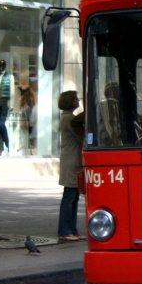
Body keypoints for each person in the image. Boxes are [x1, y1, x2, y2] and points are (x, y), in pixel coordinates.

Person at [57, 90, 84, 242]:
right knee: (69, 197)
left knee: (72, 196)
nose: (78, 101)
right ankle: (65, 230)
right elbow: (79, 136)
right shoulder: (70, 119)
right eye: (76, 99)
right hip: (71, 161)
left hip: (71, 160)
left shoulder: (67, 117)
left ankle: (71, 229)